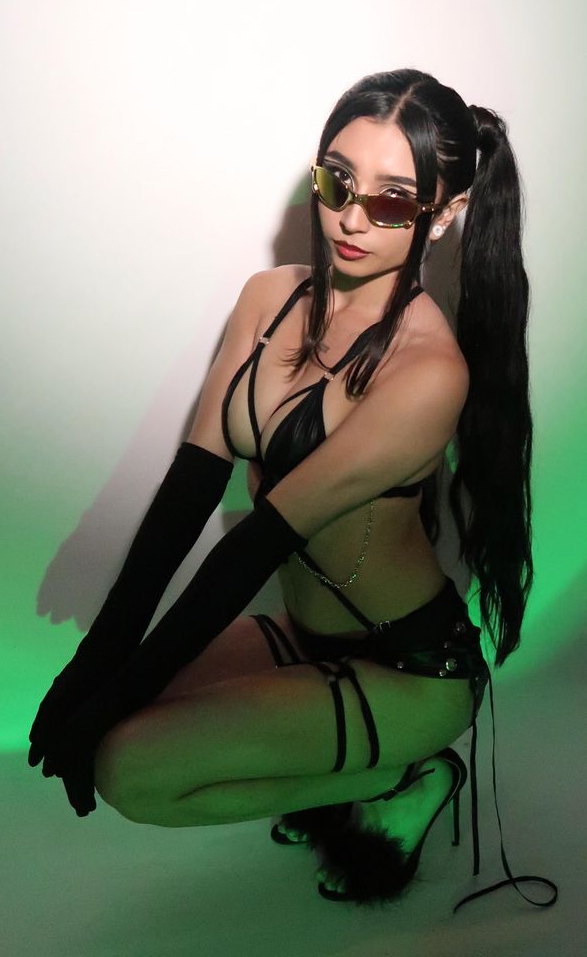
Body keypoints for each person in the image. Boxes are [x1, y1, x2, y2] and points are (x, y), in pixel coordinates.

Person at [28, 69, 558, 914]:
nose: (351, 218)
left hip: (410, 670)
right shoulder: (267, 298)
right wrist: (92, 666)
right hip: (304, 637)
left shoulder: (428, 373)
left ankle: (406, 772)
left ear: (444, 213)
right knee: (113, 703)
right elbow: (190, 488)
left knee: (127, 767)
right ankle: (340, 760)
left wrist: (112, 694)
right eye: (337, 181)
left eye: (392, 202)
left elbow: (258, 542)